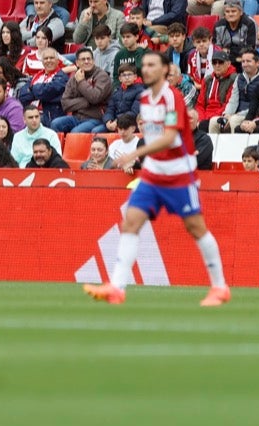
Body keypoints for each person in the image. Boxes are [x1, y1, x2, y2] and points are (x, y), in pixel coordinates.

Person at [84, 50, 231, 307]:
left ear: (165, 70)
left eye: (153, 65)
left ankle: (220, 287)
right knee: (131, 220)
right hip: (153, 172)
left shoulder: (171, 97)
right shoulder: (144, 98)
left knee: (195, 228)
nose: (147, 68)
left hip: (178, 173)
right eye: (145, 65)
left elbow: (170, 137)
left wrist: (135, 153)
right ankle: (117, 288)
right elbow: (153, 136)